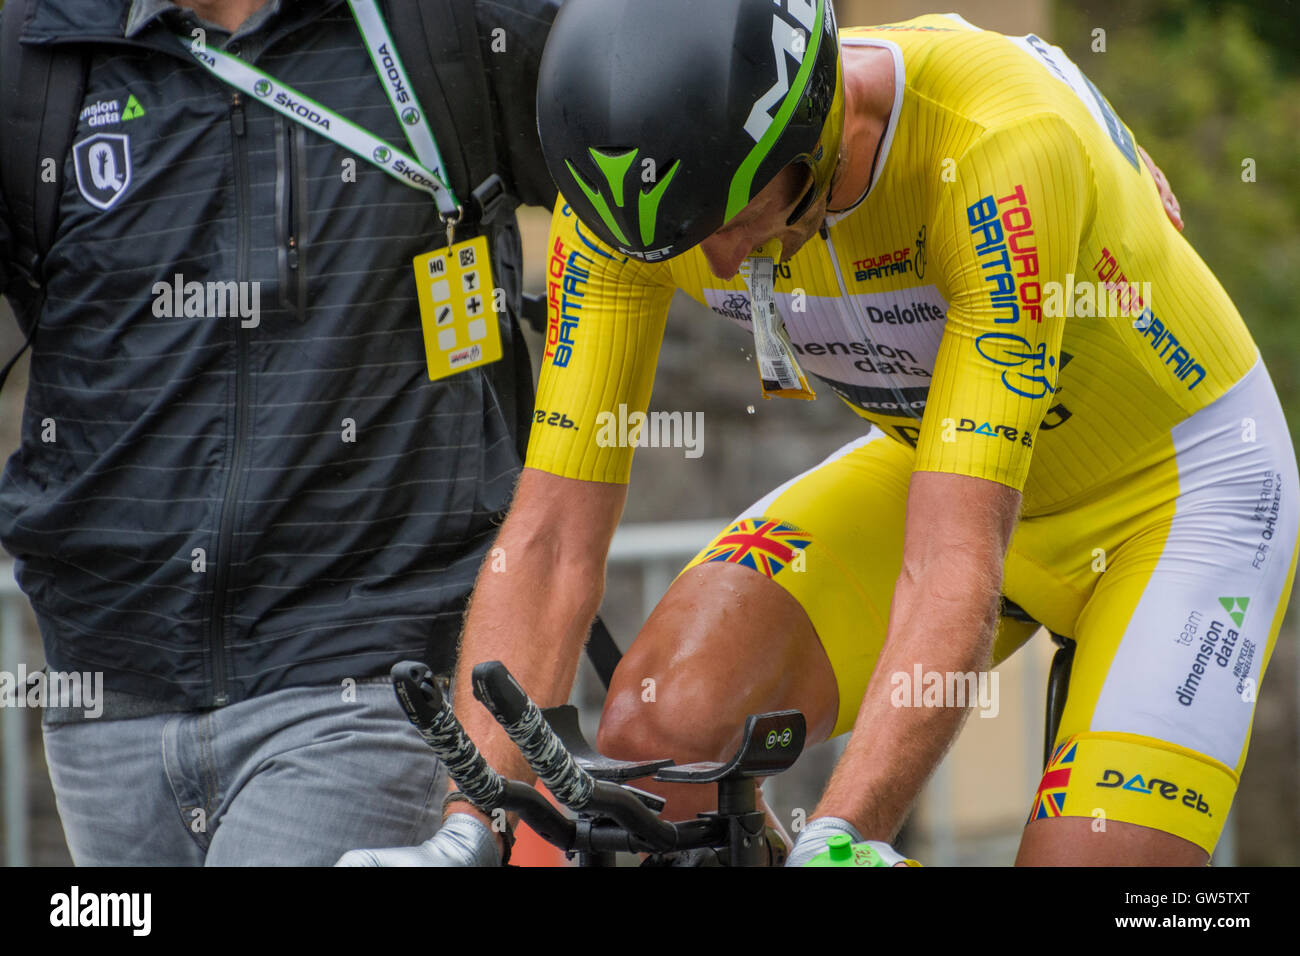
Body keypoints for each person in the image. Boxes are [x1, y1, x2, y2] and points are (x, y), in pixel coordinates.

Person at [345, 0, 1297, 867]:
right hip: (942, 459)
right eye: (677, 241)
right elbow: (550, 539)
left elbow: (954, 558)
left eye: (728, 215)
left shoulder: (1000, 149)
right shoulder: (635, 211)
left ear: (808, 127)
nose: (714, 258)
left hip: (1182, 497)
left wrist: (844, 833)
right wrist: (470, 828)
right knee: (660, 725)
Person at [0, 0, 558, 865]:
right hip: (106, 703)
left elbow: (670, 141)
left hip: (360, 683)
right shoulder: (40, 48)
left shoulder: (443, 24)